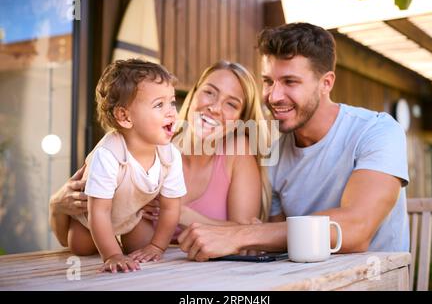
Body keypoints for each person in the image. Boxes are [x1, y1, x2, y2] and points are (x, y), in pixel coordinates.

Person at [177, 22, 410, 261]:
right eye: (268, 82)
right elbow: (276, 242)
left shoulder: (377, 131)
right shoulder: (274, 155)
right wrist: (251, 235)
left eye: (290, 82)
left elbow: (355, 230)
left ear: (326, 83)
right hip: (304, 279)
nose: (274, 96)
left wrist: (242, 234)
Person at [49, 61, 271, 254]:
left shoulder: (237, 152)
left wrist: (181, 213)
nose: (214, 107)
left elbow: (248, 236)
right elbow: (76, 243)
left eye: (231, 104)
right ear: (193, 94)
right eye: (209, 92)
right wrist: (56, 207)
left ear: (241, 119)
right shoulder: (152, 142)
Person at [66, 59, 186, 272]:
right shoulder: (108, 155)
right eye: (159, 105)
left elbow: (171, 207)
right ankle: (107, 244)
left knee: (142, 246)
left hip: (130, 217)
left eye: (172, 103)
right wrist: (112, 255)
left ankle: (123, 242)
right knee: (80, 247)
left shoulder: (170, 156)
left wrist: (157, 246)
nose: (171, 112)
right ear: (124, 116)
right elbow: (99, 212)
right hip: (90, 219)